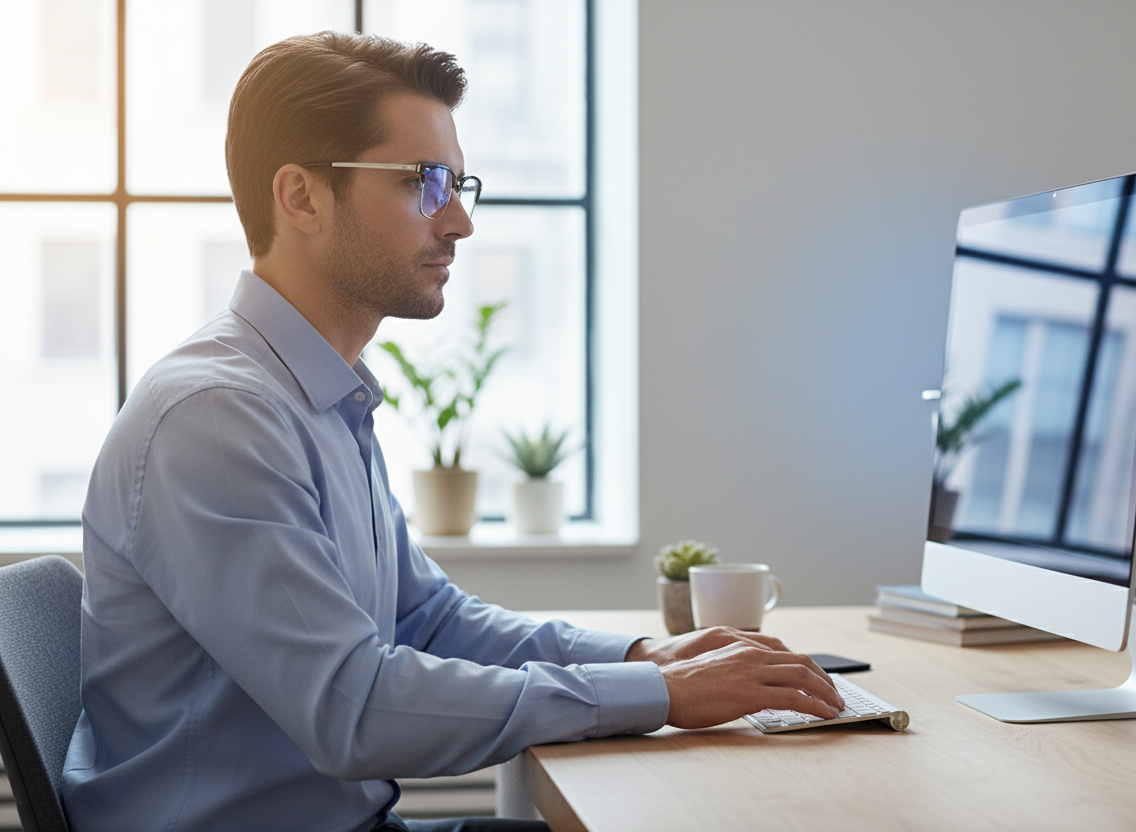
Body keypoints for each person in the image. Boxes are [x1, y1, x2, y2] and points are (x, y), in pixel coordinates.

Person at [62, 31, 844, 832]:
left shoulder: (318, 396)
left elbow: (427, 619)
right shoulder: (217, 417)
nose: (461, 222)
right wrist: (661, 695)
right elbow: (353, 708)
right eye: (423, 182)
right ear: (301, 197)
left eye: (459, 184)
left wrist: (644, 657)